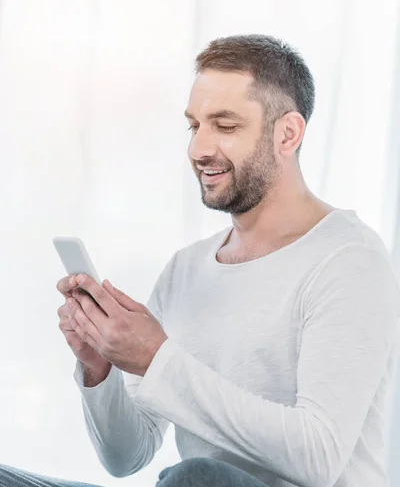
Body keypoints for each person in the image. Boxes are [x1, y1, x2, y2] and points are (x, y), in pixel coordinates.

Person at [1, 34, 399, 487]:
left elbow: (318, 457)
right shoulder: (186, 269)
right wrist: (102, 367)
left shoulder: (348, 260)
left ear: (288, 133)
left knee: (197, 477)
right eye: (195, 126)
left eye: (225, 126)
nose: (198, 149)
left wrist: (157, 359)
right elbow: (127, 457)